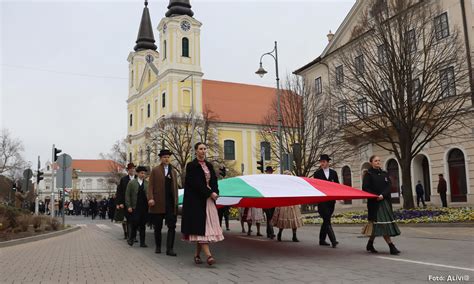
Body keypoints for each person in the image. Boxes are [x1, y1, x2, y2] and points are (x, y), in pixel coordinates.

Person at [181, 142, 224, 266]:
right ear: (195, 151)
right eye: (200, 149)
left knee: (204, 229)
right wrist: (210, 193)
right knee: (202, 228)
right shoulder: (191, 166)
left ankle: (197, 255)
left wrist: (215, 191)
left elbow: (214, 181)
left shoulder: (209, 165)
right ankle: (209, 256)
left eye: (205, 148)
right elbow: (196, 184)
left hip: (208, 200)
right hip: (196, 201)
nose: (203, 151)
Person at [362, 155, 401, 255]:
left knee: (379, 224)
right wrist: (375, 196)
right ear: (371, 163)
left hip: (385, 201)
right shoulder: (368, 174)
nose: (378, 162)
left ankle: (370, 244)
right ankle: (391, 246)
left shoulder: (384, 173)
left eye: (379, 160)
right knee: (382, 224)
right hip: (375, 203)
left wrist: (383, 195)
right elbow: (365, 188)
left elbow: (389, 186)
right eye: (375, 161)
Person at [147, 149, 179, 256]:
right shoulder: (155, 170)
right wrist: (150, 198)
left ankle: (170, 249)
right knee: (158, 226)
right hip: (158, 202)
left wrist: (176, 201)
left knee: (172, 226)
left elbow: (175, 187)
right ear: (161, 158)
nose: (166, 159)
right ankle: (158, 246)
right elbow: (150, 186)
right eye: (164, 157)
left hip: (170, 203)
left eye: (168, 157)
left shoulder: (173, 172)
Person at [313, 154, 339, 248]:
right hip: (322, 200)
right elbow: (315, 187)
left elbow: (337, 186)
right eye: (321, 162)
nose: (322, 163)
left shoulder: (333, 173)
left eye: (324, 162)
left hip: (331, 200)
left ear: (328, 162)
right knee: (327, 219)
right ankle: (333, 240)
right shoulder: (317, 173)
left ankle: (321, 239)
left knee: (326, 220)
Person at [272, 170, 303, 242]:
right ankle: (280, 233)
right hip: (284, 204)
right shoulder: (281, 185)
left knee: (294, 221)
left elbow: (296, 193)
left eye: (289, 175)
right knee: (283, 220)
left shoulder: (293, 185)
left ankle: (294, 236)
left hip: (293, 204)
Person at [126, 166, 149, 248]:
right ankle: (131, 239)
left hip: (144, 207)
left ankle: (142, 242)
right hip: (135, 207)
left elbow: (149, 195)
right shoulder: (132, 183)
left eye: (144, 173)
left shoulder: (147, 183)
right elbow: (127, 195)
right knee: (135, 223)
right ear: (137, 173)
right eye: (141, 173)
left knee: (143, 225)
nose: (143, 175)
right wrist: (128, 206)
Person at [115, 163, 135, 239]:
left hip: (135, 202)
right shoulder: (124, 179)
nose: (132, 170)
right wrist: (119, 203)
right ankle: (126, 233)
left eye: (133, 168)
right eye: (131, 169)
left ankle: (133, 234)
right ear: (128, 170)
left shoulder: (137, 178)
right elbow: (119, 192)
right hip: (125, 202)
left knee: (134, 219)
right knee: (125, 219)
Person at [263, 166, 276, 239]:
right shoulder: (264, 179)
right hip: (266, 201)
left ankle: (268, 232)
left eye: (271, 171)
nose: (270, 173)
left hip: (272, 200)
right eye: (269, 171)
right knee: (269, 217)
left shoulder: (273, 179)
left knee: (270, 217)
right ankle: (271, 232)